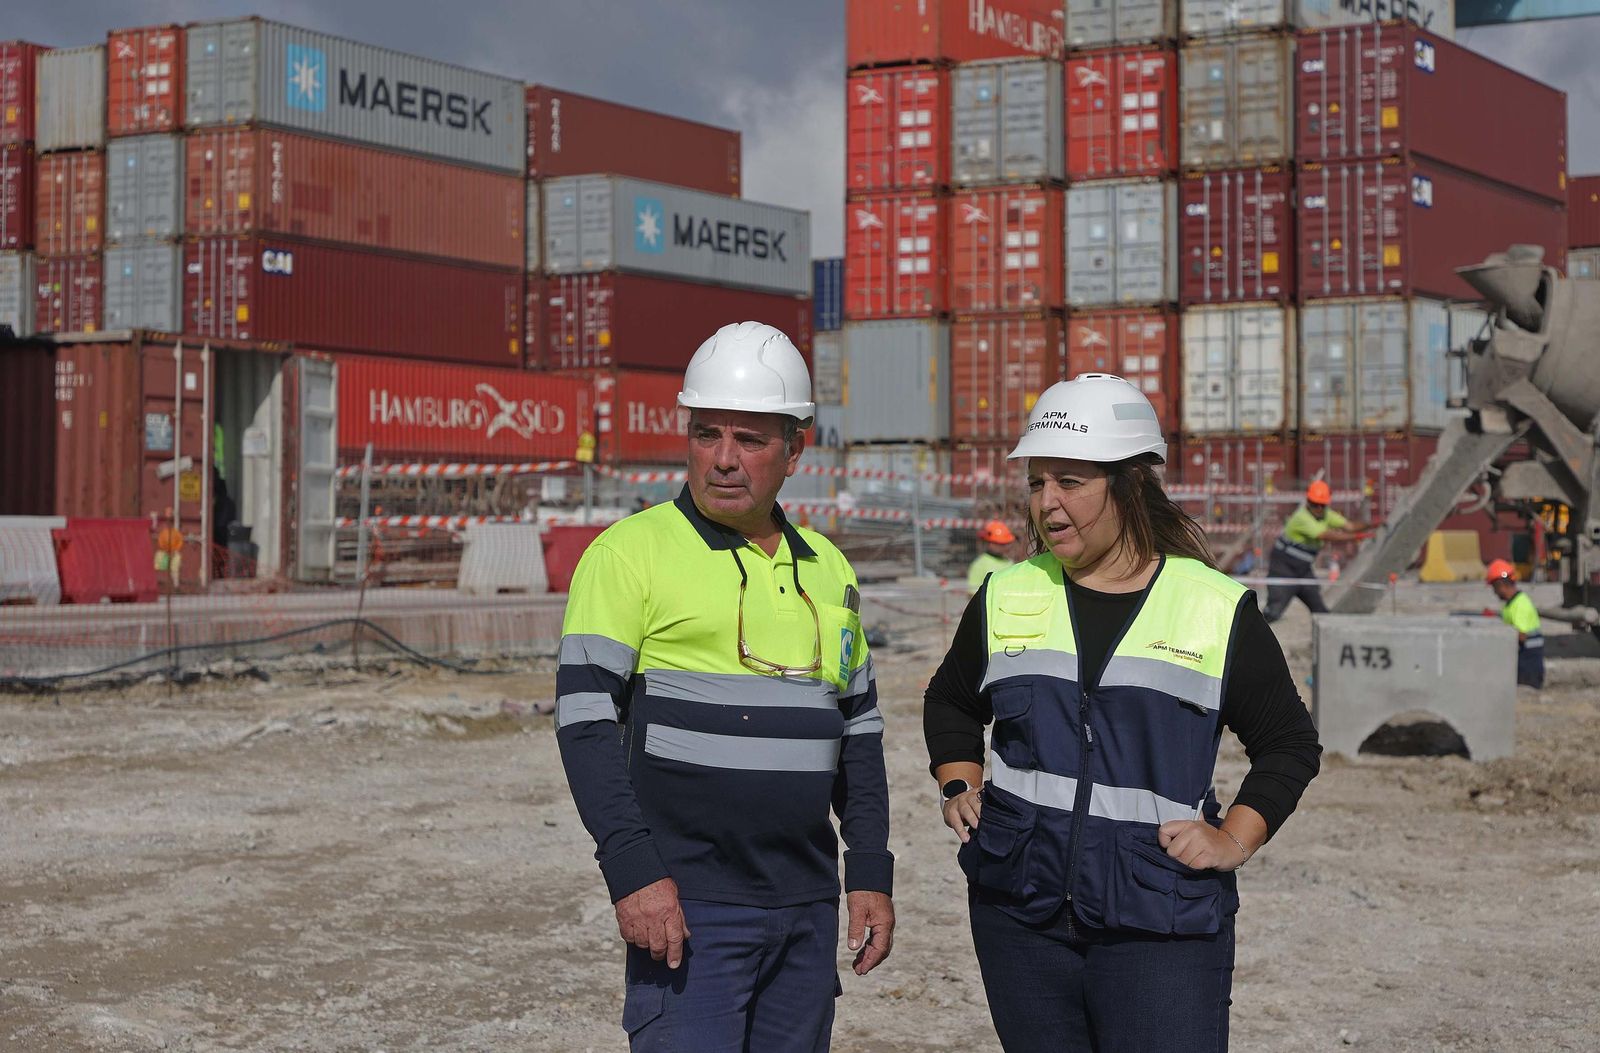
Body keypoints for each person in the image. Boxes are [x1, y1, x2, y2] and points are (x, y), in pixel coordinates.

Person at [923, 374, 1323, 1053]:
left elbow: (1289, 742)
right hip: (1019, 913)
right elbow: (952, 699)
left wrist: (1234, 839)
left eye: (1070, 481)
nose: (1047, 503)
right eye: (1037, 482)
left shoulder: (1214, 608)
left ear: (1131, 484)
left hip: (1158, 920)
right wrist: (958, 780)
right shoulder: (1006, 595)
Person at [555, 321, 895, 1052]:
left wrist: (869, 870)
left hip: (805, 910)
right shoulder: (628, 555)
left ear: (795, 451)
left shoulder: (828, 568)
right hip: (687, 906)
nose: (724, 458)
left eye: (750, 439)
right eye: (707, 433)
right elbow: (585, 726)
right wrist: (633, 874)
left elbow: (859, 736)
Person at [1262, 479, 1372, 623]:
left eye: (1322, 505)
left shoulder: (1326, 514)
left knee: (1320, 610)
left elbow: (1350, 526)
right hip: (1283, 570)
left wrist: (1372, 525)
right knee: (1273, 612)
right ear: (1308, 502)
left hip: (1303, 571)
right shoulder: (1302, 517)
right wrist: (1357, 537)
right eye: (1315, 504)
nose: (1318, 508)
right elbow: (1325, 535)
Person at [1487, 559, 1545, 688]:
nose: (1494, 592)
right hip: (1523, 658)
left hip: (1529, 662)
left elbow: (1521, 635)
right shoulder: (1511, 604)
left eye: (1494, 587)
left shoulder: (1520, 604)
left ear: (1501, 584)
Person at [967, 519, 1016, 594]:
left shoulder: (1009, 562)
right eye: (1001, 544)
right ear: (990, 543)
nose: (1005, 547)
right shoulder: (980, 565)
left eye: (1006, 544)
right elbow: (972, 593)